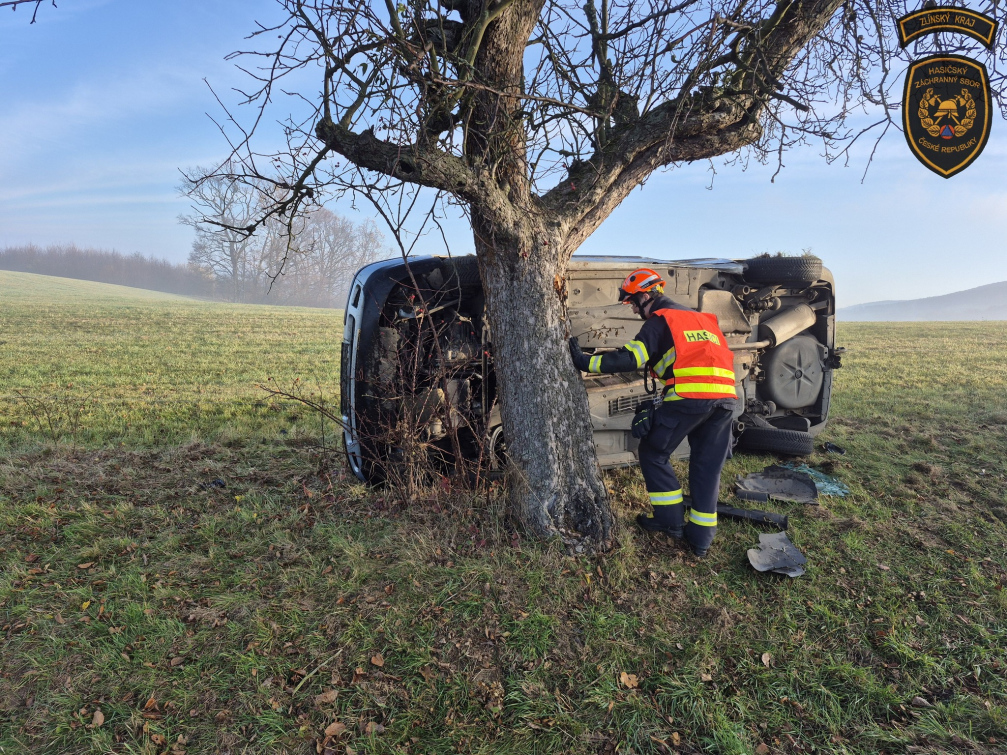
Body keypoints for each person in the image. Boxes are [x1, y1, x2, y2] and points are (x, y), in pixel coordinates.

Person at [569, 268, 738, 557]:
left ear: (647, 295)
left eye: (633, 302)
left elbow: (629, 358)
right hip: (725, 401)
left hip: (689, 398)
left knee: (652, 452)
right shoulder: (704, 320)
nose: (633, 309)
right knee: (707, 466)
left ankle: (669, 521)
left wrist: (585, 362)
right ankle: (700, 539)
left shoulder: (661, 320)